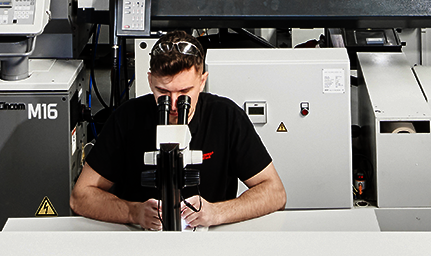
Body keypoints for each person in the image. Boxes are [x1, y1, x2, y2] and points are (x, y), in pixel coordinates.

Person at [70, 31, 286, 230]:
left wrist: (216, 213)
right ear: (150, 81)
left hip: (210, 240)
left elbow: (274, 192)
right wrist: (133, 212)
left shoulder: (226, 117)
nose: (173, 105)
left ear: (202, 81)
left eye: (184, 92)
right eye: (163, 92)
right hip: (139, 239)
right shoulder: (127, 118)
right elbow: (81, 197)